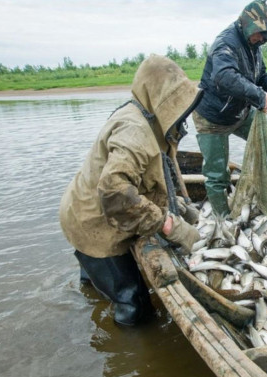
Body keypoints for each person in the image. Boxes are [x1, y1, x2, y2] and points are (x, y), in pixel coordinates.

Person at [59, 54, 203, 326]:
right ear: (158, 97)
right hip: (93, 223)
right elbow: (115, 193)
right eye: (175, 101)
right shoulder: (135, 130)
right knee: (134, 303)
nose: (181, 112)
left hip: (79, 207)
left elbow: (153, 172)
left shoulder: (147, 117)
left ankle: (90, 292)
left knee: (96, 282)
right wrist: (168, 224)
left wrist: (179, 205)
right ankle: (127, 351)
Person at [192, 0, 267, 216]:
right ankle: (223, 219)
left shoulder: (253, 46)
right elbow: (224, 76)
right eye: (260, 34)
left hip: (239, 112)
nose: (262, 39)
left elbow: (260, 77)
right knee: (217, 174)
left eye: (266, 36)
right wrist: (260, 96)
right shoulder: (225, 43)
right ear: (247, 25)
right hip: (212, 117)